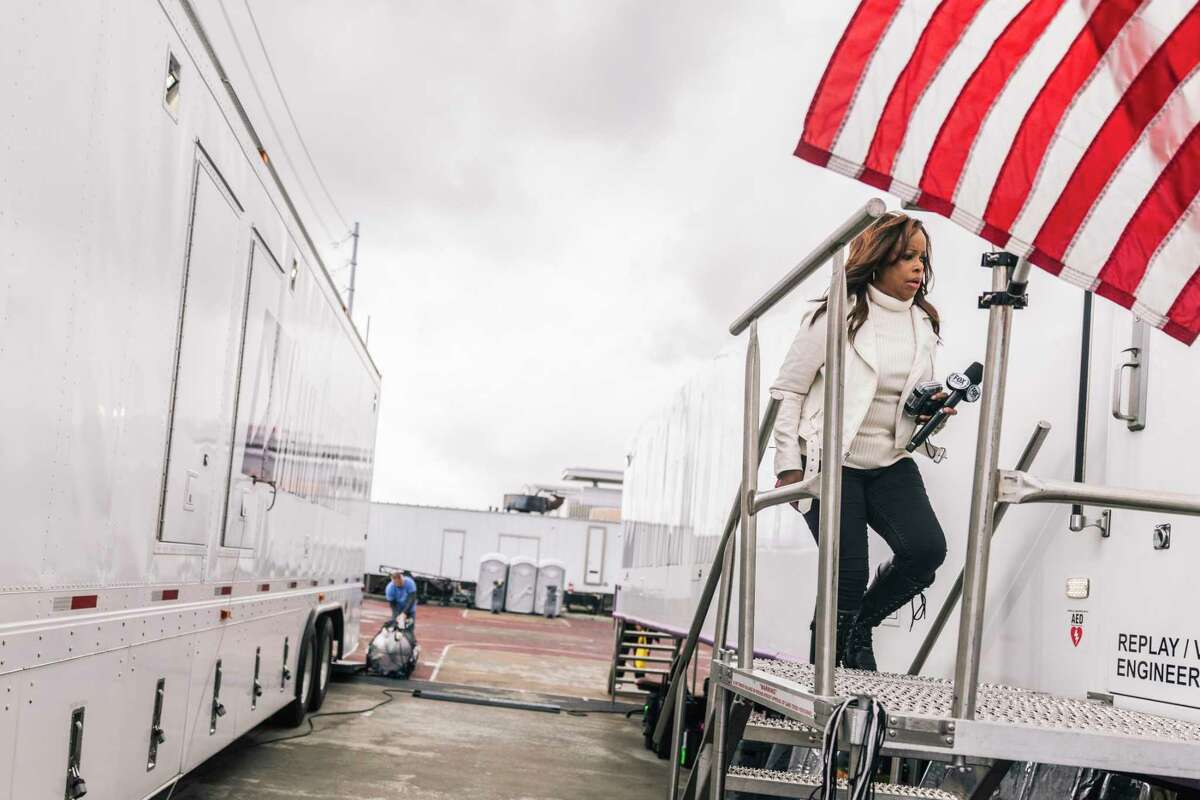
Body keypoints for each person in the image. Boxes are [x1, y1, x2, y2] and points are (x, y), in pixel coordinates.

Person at [770, 212, 950, 671]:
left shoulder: (923, 323)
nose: (917, 268)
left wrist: (933, 411)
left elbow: (907, 401)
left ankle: (858, 629)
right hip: (832, 462)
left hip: (889, 461)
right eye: (906, 257)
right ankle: (826, 682)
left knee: (926, 549)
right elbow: (789, 389)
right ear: (878, 258)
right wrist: (788, 464)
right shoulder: (836, 314)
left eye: (922, 259)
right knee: (846, 575)